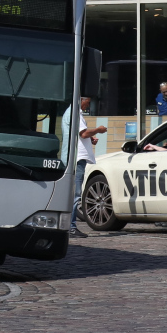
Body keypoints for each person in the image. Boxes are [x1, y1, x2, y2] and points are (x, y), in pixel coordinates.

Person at [69, 96, 107, 239]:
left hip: (78, 157)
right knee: (76, 194)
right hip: (79, 159)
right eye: (87, 103)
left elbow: (81, 135)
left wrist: (90, 138)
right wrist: (98, 130)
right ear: (81, 100)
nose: (88, 106)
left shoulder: (75, 113)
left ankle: (70, 226)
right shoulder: (77, 113)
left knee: (75, 193)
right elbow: (83, 133)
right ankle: (71, 227)